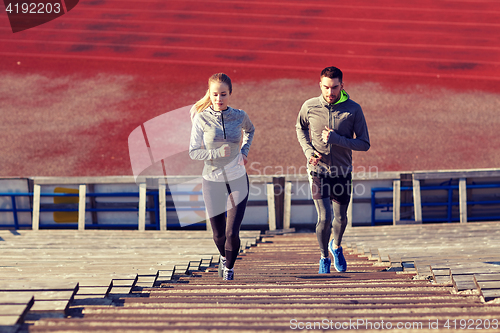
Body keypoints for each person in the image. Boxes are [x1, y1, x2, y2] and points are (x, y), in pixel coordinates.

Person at [296, 66, 370, 274]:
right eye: (326, 87)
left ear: (342, 86)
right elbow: (300, 127)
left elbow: (364, 143)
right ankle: (323, 257)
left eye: (335, 87)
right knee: (325, 218)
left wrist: (337, 139)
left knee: (341, 218)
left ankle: (336, 246)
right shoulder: (309, 106)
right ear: (320, 85)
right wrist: (308, 151)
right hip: (318, 170)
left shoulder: (353, 109)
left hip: (342, 172)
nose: (330, 92)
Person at [189, 73, 255, 281]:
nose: (219, 99)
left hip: (237, 178)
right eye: (215, 94)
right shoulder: (201, 118)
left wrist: (244, 152)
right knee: (218, 235)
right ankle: (222, 257)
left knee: (232, 233)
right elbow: (193, 152)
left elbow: (250, 130)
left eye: (223, 94)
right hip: (212, 179)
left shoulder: (239, 115)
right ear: (209, 94)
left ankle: (229, 269)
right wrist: (216, 153)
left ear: (230, 94)